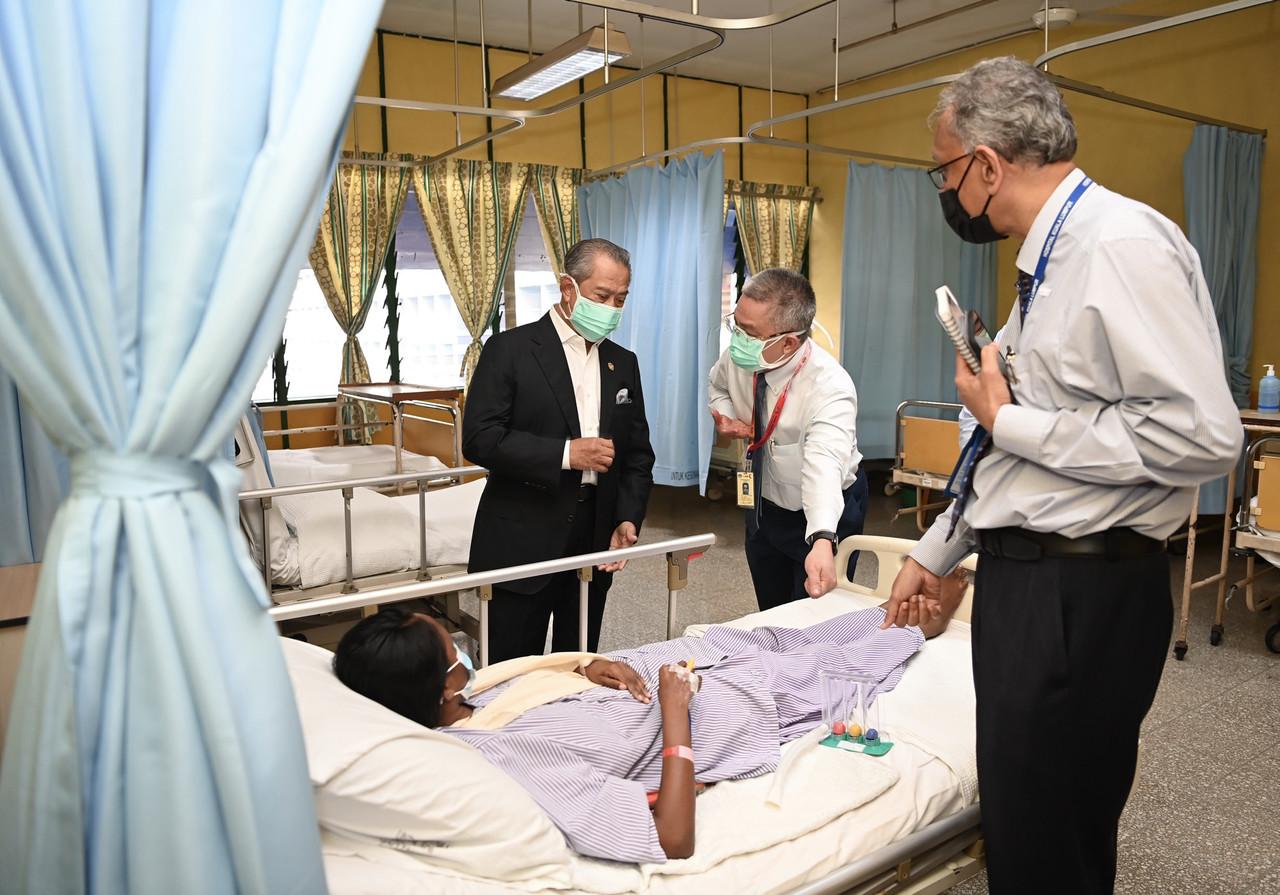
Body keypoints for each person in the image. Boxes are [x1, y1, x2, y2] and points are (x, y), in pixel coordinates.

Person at [881, 57, 1243, 895]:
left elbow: (1202, 434)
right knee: (1024, 833)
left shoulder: (1119, 247)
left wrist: (1009, 417)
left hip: (1081, 593)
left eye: (944, 170)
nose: (946, 190)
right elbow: (1014, 446)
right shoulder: (1048, 265)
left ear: (986, 164)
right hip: (1032, 584)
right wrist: (940, 548)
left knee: (1051, 847)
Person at [332, 574, 965, 863]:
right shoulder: (502, 756)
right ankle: (918, 627)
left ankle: (885, 613)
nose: (466, 649)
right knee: (833, 663)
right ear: (442, 685)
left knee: (786, 636)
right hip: (723, 706)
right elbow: (671, 838)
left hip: (681, 662)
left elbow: (544, 688)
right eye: (453, 649)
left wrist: (589, 668)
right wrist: (676, 714)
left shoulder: (479, 695)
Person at [462, 238, 655, 661]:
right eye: (602, 296)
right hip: (522, 534)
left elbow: (638, 455)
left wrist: (626, 516)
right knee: (511, 670)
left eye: (621, 299)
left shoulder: (622, 362)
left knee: (580, 663)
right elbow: (479, 438)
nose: (612, 308)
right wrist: (566, 454)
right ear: (568, 288)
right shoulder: (510, 351)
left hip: (594, 535)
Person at [708, 268, 868, 611]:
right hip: (763, 503)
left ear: (788, 343)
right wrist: (726, 415)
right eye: (736, 325)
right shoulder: (741, 356)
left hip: (824, 508)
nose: (738, 339)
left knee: (812, 616)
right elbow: (717, 385)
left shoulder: (830, 388)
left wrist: (823, 537)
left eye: (749, 333)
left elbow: (824, 465)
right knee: (770, 606)